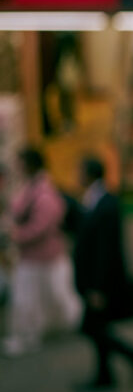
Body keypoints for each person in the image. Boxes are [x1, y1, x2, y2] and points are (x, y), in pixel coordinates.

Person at [72, 156, 133, 392]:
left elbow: (105, 250)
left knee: (92, 327)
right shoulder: (96, 200)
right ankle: (105, 374)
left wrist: (98, 286)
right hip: (97, 280)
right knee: (98, 326)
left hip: (103, 281)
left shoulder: (106, 203)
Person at [1, 147, 83, 356]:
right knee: (40, 295)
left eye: (19, 162)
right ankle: (45, 329)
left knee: (43, 295)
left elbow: (43, 223)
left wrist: (17, 235)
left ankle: (33, 334)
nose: (16, 167)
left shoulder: (42, 189)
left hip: (43, 254)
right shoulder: (32, 186)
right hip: (38, 255)